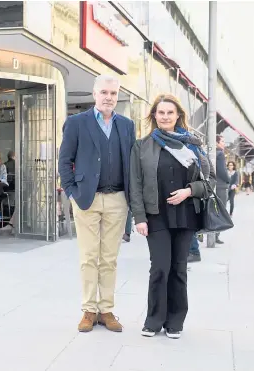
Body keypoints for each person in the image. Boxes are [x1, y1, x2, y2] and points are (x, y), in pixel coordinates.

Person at [130, 93, 216, 339]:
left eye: (170, 112)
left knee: (179, 269)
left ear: (178, 115)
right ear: (154, 116)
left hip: (186, 213)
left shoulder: (193, 144)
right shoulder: (142, 145)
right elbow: (135, 184)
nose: (165, 116)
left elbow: (210, 180)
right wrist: (139, 217)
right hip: (156, 215)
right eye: (161, 112)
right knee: (159, 267)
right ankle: (154, 320)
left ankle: (175, 321)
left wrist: (190, 191)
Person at [58, 75, 135, 333]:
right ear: (94, 94)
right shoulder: (76, 123)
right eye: (104, 92)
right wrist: (71, 193)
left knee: (109, 258)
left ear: (117, 96)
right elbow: (64, 160)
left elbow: (131, 164)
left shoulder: (126, 125)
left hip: (117, 199)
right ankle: (88, 310)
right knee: (89, 256)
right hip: (87, 199)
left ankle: (107, 310)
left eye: (113, 93)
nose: (108, 97)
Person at [215, 135, 230, 244]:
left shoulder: (213, 153)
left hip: (214, 185)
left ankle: (214, 235)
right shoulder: (220, 154)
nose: (224, 143)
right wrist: (229, 179)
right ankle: (216, 235)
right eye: (222, 141)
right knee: (220, 210)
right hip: (220, 186)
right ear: (216, 142)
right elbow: (222, 171)